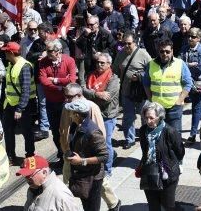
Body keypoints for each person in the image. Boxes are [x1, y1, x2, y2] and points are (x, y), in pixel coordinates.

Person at [137, 101, 185, 211]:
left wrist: (170, 162)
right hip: (149, 172)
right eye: (146, 118)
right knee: (153, 206)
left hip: (167, 173)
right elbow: (145, 150)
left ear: (159, 117)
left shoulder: (170, 131)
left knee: (168, 205)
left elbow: (180, 152)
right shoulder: (143, 130)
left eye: (151, 118)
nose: (148, 121)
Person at [64, 99, 108, 211]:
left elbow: (104, 156)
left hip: (93, 177)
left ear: (77, 115)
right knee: (86, 206)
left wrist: (82, 161)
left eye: (71, 112)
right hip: (83, 174)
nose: (69, 115)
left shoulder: (93, 132)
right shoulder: (76, 125)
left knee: (92, 208)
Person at [82, 52, 120, 182]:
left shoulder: (113, 79)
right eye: (98, 62)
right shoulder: (91, 75)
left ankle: (108, 169)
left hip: (106, 115)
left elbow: (106, 100)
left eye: (102, 63)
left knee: (105, 142)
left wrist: (91, 94)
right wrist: (97, 94)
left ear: (109, 64)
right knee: (93, 142)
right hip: (91, 113)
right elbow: (83, 91)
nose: (99, 64)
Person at [39, 38, 78, 156]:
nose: (47, 53)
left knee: (69, 130)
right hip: (51, 101)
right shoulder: (43, 62)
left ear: (58, 51)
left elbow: (72, 80)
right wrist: (60, 87)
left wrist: (56, 80)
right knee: (56, 131)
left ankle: (72, 153)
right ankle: (61, 154)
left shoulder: (69, 60)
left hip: (66, 102)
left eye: (49, 50)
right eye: (46, 50)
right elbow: (43, 81)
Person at [112, 31, 151, 149]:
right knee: (128, 117)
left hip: (141, 93)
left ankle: (147, 137)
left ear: (135, 42)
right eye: (125, 44)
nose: (127, 46)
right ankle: (130, 139)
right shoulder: (121, 53)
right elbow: (115, 69)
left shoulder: (143, 54)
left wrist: (139, 76)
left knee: (145, 116)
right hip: (126, 92)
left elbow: (151, 71)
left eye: (129, 44)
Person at [143, 40, 192, 132]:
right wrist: (150, 99)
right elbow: (146, 83)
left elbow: (188, 83)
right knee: (158, 137)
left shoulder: (180, 64)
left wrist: (180, 100)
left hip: (174, 108)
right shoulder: (151, 64)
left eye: (167, 51)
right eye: (162, 51)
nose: (164, 54)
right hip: (156, 108)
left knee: (174, 137)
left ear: (172, 51)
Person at [0, 41, 36, 163]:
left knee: (27, 132)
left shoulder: (25, 67)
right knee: (8, 130)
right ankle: (10, 156)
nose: (4, 54)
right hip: (9, 104)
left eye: (6, 51)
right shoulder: (11, 64)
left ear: (11, 53)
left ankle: (30, 156)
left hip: (22, 107)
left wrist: (20, 109)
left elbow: (26, 90)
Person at [180, 28, 201, 145]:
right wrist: (190, 64)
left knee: (196, 106)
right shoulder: (184, 49)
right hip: (189, 81)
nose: (190, 39)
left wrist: (187, 66)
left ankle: (192, 134)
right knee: (199, 107)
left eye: (193, 37)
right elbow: (179, 63)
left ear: (198, 38)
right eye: (189, 36)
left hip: (200, 81)